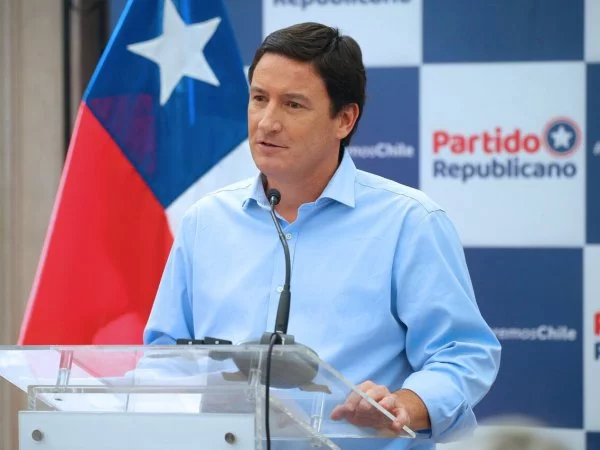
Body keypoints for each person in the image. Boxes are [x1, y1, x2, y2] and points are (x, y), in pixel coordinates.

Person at [144, 22, 501, 448]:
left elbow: (463, 352)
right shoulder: (205, 221)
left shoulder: (409, 222)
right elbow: (167, 355)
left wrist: (406, 404)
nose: (267, 122)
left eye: (293, 104)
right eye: (259, 99)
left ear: (344, 120)